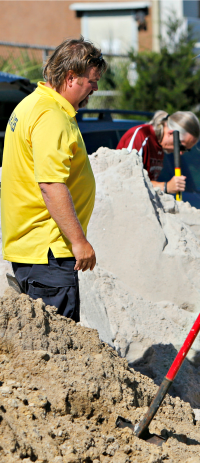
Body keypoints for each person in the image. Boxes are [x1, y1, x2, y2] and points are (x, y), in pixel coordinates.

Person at [1, 37, 108, 321]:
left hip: (34, 251)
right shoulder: (51, 116)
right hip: (49, 253)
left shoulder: (32, 104)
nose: (95, 89)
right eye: (92, 81)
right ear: (71, 77)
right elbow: (50, 184)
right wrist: (78, 240)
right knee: (58, 352)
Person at [117, 110, 200, 194]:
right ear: (171, 133)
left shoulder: (160, 145)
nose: (180, 153)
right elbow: (126, 179)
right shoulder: (141, 135)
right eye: (181, 147)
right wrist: (165, 187)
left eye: (186, 150)